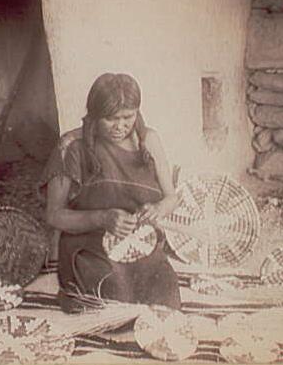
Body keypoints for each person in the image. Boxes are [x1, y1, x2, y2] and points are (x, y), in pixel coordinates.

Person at [40, 73, 181, 313]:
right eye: (111, 119)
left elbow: (172, 198)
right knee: (115, 295)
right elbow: (53, 215)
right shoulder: (72, 146)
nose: (120, 126)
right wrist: (102, 218)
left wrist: (157, 209)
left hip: (138, 240)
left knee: (166, 297)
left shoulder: (148, 141)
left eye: (128, 117)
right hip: (87, 241)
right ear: (94, 115)